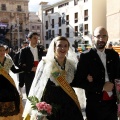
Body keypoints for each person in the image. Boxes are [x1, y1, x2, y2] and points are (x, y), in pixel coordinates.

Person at [23, 36, 84, 120]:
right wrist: (39, 106)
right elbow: (38, 85)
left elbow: (76, 82)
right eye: (59, 45)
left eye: (65, 46)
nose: (63, 48)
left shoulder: (71, 64)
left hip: (69, 101)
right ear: (54, 47)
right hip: (51, 102)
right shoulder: (45, 63)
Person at [72, 26, 120, 120]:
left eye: (104, 36)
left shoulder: (114, 55)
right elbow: (77, 81)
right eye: (98, 36)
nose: (101, 39)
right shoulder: (85, 57)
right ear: (93, 38)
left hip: (112, 106)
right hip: (95, 107)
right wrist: (102, 87)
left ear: (107, 38)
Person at [18, 32, 46, 96]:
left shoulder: (40, 49)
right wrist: (31, 68)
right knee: (30, 94)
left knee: (40, 94)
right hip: (29, 76)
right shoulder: (24, 51)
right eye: (34, 38)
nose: (36, 40)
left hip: (40, 75)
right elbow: (20, 64)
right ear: (29, 39)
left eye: (37, 38)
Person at [0, 44, 23, 120]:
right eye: (0, 50)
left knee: (11, 101)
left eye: (3, 50)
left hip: (8, 84)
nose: (2, 52)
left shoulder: (8, 60)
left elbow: (14, 70)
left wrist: (25, 68)